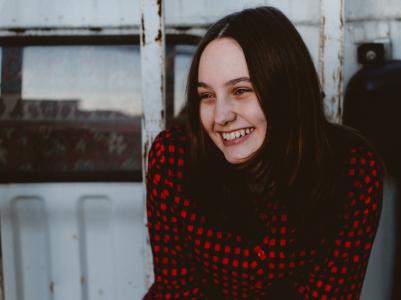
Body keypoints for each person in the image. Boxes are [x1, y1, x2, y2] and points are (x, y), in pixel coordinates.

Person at [144, 6, 384, 300]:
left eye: (241, 91)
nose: (220, 116)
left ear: (286, 89)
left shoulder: (352, 169)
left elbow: (330, 294)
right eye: (206, 96)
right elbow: (177, 290)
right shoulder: (174, 159)